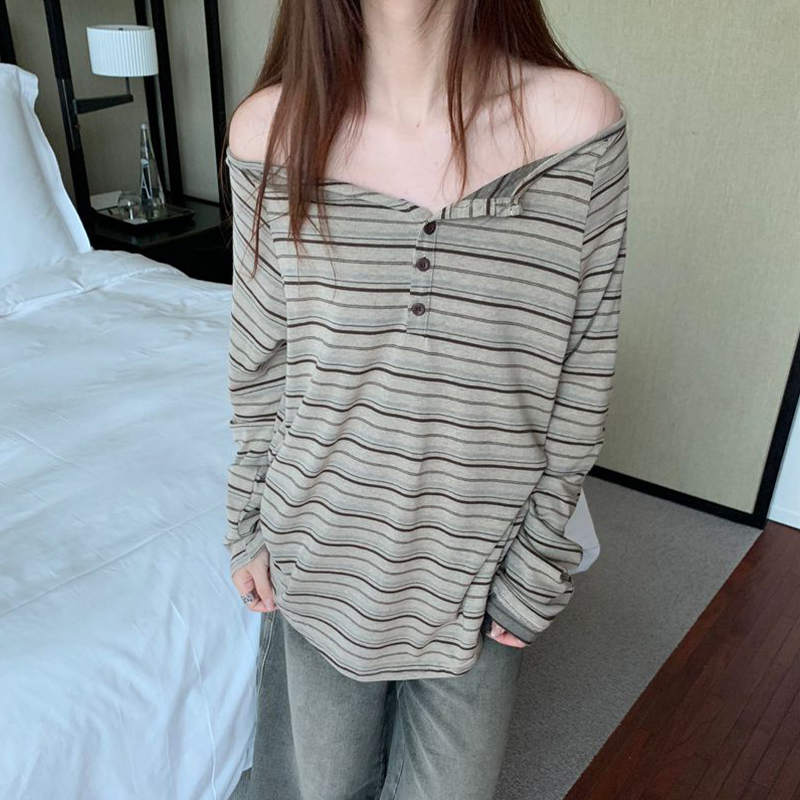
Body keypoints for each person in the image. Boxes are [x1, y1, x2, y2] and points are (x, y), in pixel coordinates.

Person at [223, 1, 630, 798]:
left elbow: (584, 372)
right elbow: (260, 359)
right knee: (318, 785)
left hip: (480, 570)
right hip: (319, 550)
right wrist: (246, 519)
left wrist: (540, 555)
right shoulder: (268, 130)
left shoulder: (578, 125)